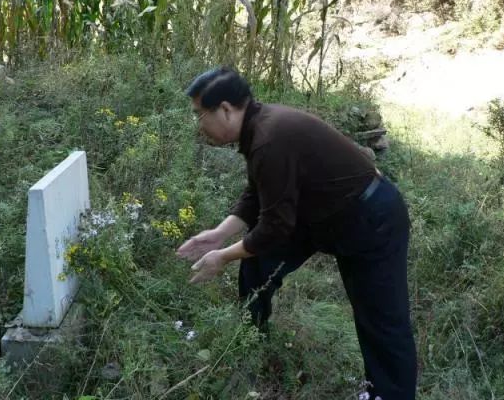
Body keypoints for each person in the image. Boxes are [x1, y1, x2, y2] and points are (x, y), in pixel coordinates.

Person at [176, 67, 417, 400]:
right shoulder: (259, 127)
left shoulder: (269, 137)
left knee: (382, 323)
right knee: (259, 264)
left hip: (370, 219)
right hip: (322, 216)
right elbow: (259, 191)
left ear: (226, 109)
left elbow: (276, 226)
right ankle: (249, 344)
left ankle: (388, 395)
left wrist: (223, 256)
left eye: (199, 114)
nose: (198, 124)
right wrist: (219, 234)